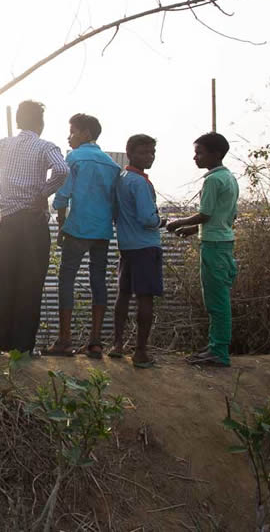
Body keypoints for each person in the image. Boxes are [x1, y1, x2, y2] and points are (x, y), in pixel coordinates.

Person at [0, 101, 69, 357]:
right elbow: (61, 169)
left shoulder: (4, 145)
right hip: (34, 223)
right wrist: (43, 193)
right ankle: (23, 347)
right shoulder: (46, 146)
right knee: (31, 284)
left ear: (18, 122)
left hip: (10, 222)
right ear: (40, 123)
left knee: (7, 282)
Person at [47, 114, 121, 358]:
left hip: (77, 229)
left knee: (66, 279)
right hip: (102, 232)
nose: (69, 137)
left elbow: (62, 195)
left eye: (73, 132)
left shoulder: (75, 157)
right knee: (98, 281)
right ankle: (95, 342)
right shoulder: (112, 165)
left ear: (86, 133)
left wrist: (60, 224)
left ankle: (64, 340)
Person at [166, 132, 239, 368]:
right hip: (224, 242)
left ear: (215, 154)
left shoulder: (212, 180)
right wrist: (194, 231)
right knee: (220, 298)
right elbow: (226, 217)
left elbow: (205, 214)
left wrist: (178, 223)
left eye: (200, 152)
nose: (195, 157)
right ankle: (216, 346)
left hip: (214, 247)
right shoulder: (229, 178)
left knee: (216, 301)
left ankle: (218, 350)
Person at [111, 134, 166, 368]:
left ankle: (117, 345)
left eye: (152, 152)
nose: (150, 156)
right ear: (130, 153)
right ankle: (140, 351)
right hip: (145, 245)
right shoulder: (140, 182)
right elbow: (147, 218)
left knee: (123, 294)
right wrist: (161, 221)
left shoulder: (121, 179)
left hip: (127, 245)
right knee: (145, 298)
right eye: (144, 152)